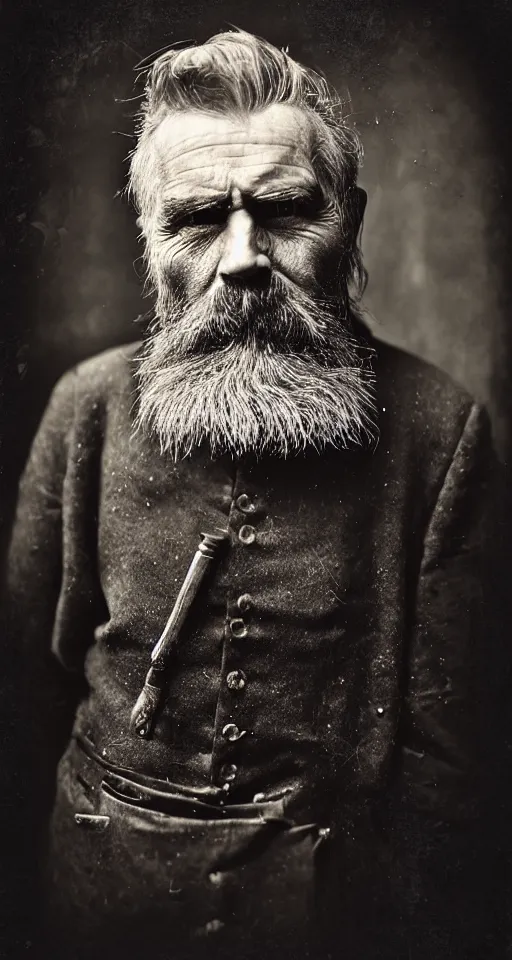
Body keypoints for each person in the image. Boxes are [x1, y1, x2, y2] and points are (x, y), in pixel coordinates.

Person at [6, 28, 500, 960]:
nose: (242, 258)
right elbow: (23, 697)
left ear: (346, 223)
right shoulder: (84, 412)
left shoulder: (442, 433)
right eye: (197, 218)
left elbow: (449, 775)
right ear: (150, 240)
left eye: (282, 210)